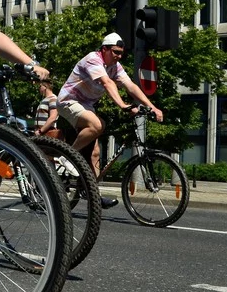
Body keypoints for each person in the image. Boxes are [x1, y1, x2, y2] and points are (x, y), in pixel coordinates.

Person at [57, 32, 163, 207]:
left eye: (121, 53)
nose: (119, 56)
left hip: (87, 106)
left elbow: (130, 86)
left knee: (95, 153)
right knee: (98, 124)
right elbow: (107, 83)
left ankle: (92, 193)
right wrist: (122, 105)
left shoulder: (116, 66)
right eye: (115, 52)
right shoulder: (93, 59)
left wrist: (152, 106)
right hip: (69, 101)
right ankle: (67, 156)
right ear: (104, 49)